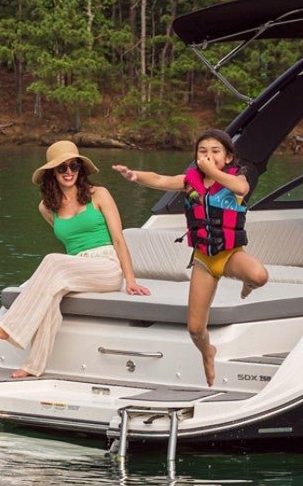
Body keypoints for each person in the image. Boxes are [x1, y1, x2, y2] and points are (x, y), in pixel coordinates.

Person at [0, 140, 150, 378]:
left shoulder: (98, 194)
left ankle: (8, 328)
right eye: (62, 168)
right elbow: (69, 244)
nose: (69, 172)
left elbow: (119, 239)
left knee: (52, 261)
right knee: (50, 296)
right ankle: (33, 365)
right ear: (52, 173)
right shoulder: (47, 207)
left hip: (106, 267)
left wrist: (130, 279)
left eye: (74, 166)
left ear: (81, 169)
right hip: (75, 268)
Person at [112, 129, 269, 386]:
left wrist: (213, 171)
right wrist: (134, 175)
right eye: (202, 151)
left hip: (229, 255)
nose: (207, 156)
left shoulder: (236, 179)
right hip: (204, 261)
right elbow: (160, 179)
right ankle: (208, 352)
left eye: (215, 152)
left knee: (259, 276)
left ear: (228, 158)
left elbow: (242, 187)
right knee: (195, 328)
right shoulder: (190, 181)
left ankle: (247, 285)